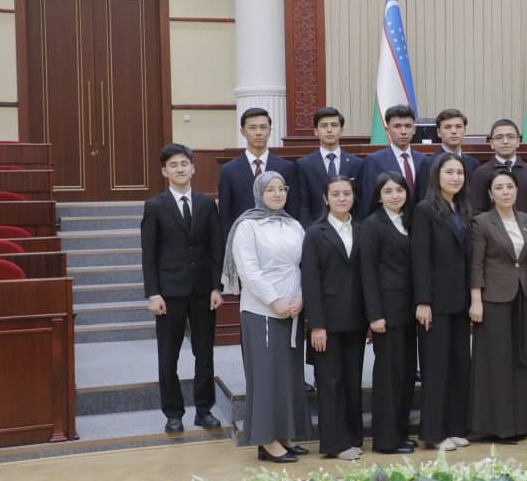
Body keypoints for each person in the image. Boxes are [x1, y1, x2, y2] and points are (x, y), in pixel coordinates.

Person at [222, 171, 312, 463]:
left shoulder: (294, 224)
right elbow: (249, 270)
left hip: (293, 309)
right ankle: (267, 440)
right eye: (270, 189)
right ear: (259, 193)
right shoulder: (247, 226)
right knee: (265, 377)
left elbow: (303, 265)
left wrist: (299, 297)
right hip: (262, 310)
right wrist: (275, 301)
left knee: (288, 376)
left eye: (281, 189)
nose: (277, 194)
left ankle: (285, 434)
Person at [141, 143, 224, 433]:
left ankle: (204, 410)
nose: (180, 169)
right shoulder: (154, 206)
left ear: (193, 168)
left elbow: (216, 248)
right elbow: (148, 254)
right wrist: (153, 293)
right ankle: (173, 413)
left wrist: (217, 286)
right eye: (173, 165)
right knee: (169, 355)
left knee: (205, 354)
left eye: (184, 164)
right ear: (164, 171)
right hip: (169, 292)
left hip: (203, 291)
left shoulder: (205, 203)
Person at [468, 168, 527, 442]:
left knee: (521, 359)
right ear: (490, 193)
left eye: (509, 187)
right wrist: (476, 300)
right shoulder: (482, 222)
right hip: (493, 300)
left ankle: (523, 422)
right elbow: (476, 264)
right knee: (497, 361)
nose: (505, 192)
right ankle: (499, 426)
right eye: (499, 188)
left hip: (522, 296)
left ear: (517, 190)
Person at [299, 175, 365, 460]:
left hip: (356, 320)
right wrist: (316, 325)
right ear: (326, 199)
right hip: (326, 321)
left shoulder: (362, 229)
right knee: (329, 381)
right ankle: (334, 443)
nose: (341, 198)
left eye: (346, 193)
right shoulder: (315, 232)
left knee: (352, 379)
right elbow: (310, 282)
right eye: (335, 194)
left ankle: (352, 436)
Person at [411, 152, 473, 452]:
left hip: (459, 301)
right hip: (434, 302)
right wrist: (422, 301)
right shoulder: (425, 209)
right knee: (436, 369)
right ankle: (433, 432)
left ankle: (454, 426)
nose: (455, 177)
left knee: (458, 366)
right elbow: (420, 258)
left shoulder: (462, 207)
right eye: (449, 172)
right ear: (437, 176)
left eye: (459, 172)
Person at [359, 172, 418, 455]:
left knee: (406, 376)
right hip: (387, 313)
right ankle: (385, 440)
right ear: (379, 196)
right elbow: (367, 273)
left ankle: (401, 433)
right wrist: (375, 315)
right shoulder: (373, 224)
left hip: (409, 312)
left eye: (400, 190)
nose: (395, 196)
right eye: (388, 191)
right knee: (388, 377)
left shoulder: (410, 220)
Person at [218, 107, 299, 242]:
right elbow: (225, 215)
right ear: (243, 132)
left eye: (263, 127)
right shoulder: (229, 170)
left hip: (279, 240)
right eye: (252, 128)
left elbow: (292, 209)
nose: (258, 132)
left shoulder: (286, 167)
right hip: (242, 240)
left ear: (269, 132)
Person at [296, 107, 364, 226]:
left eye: (334, 125)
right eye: (324, 126)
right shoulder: (304, 164)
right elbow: (303, 205)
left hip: (349, 228)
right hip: (316, 230)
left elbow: (360, 202)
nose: (329, 130)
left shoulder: (356, 163)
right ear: (316, 131)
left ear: (341, 130)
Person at [468, 119, 527, 215]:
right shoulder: (481, 173)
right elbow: (477, 211)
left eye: (510, 137)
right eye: (499, 137)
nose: (505, 141)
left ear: (518, 142)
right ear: (491, 143)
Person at [359, 104, 427, 216]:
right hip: (387, 226)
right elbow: (369, 201)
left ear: (414, 129)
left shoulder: (423, 160)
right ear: (387, 130)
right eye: (397, 126)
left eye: (408, 126)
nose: (403, 131)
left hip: (419, 224)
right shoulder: (373, 161)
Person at [417, 108, 481, 188]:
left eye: (458, 126)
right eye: (448, 127)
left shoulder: (474, 164)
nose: (454, 131)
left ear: (464, 131)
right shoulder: (428, 164)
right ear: (439, 132)